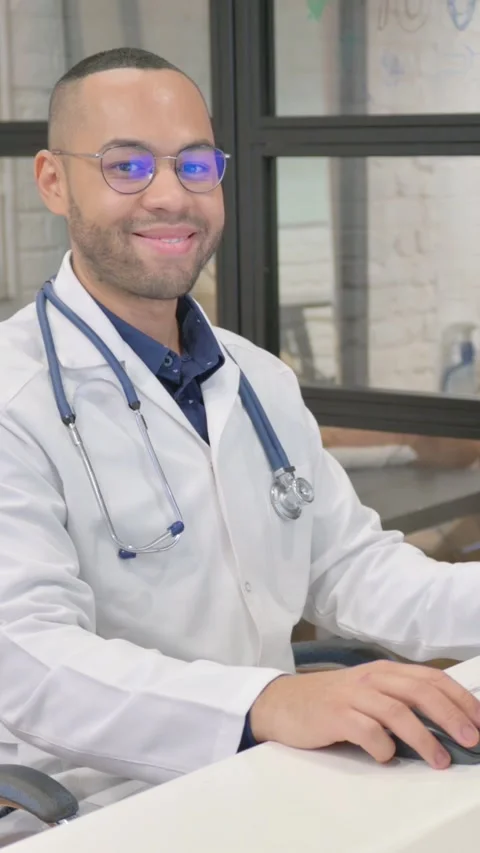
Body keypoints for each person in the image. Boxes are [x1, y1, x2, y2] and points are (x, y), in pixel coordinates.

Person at [0, 45, 480, 833]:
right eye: (127, 166)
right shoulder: (12, 398)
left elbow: (359, 573)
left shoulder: (255, 378)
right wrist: (266, 698)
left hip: (275, 778)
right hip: (91, 810)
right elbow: (29, 662)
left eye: (194, 165)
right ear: (54, 180)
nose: (170, 196)